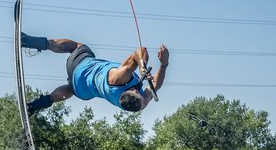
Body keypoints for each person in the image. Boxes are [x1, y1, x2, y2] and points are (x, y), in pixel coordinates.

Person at [21, 32, 169, 116]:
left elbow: (140, 51)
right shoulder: (139, 104)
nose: (138, 90)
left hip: (81, 67)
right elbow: (155, 86)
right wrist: (164, 64)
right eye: (139, 92)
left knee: (77, 46)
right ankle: (37, 104)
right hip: (83, 91)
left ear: (129, 90)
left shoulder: (119, 79)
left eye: (135, 90)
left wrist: (142, 68)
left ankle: (29, 41)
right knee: (71, 90)